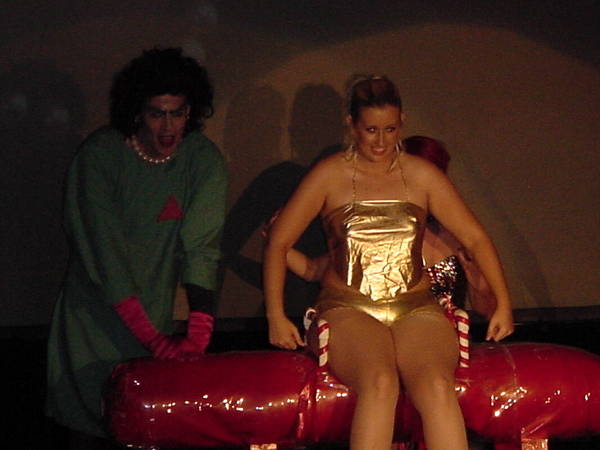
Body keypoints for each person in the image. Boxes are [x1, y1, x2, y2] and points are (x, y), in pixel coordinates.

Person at [263, 75, 513, 450]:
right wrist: (275, 315)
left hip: (415, 305)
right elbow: (280, 241)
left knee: (436, 385)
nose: (380, 142)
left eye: (390, 129)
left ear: (402, 123)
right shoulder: (329, 174)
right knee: (380, 382)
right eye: (371, 130)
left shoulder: (421, 174)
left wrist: (504, 303)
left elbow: (476, 237)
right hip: (349, 306)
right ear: (351, 124)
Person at [46, 48, 227, 448]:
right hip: (93, 318)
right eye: (156, 114)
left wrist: (198, 331)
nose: (168, 127)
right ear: (136, 112)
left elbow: (202, 248)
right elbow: (105, 256)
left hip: (154, 314)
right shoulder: (100, 156)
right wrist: (154, 340)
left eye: (178, 113)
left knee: (145, 428)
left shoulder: (202, 159)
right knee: (91, 421)